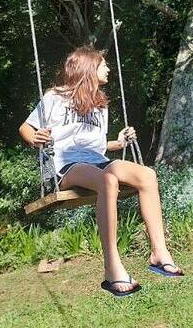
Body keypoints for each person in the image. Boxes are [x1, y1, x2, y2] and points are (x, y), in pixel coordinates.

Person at [19, 47, 184, 297]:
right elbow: (25, 128)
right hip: (65, 167)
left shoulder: (100, 105)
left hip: (97, 162)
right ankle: (112, 266)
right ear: (88, 68)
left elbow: (95, 145)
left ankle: (159, 253)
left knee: (147, 175)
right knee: (108, 179)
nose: (108, 69)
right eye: (103, 64)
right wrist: (36, 138)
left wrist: (118, 143)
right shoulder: (54, 97)